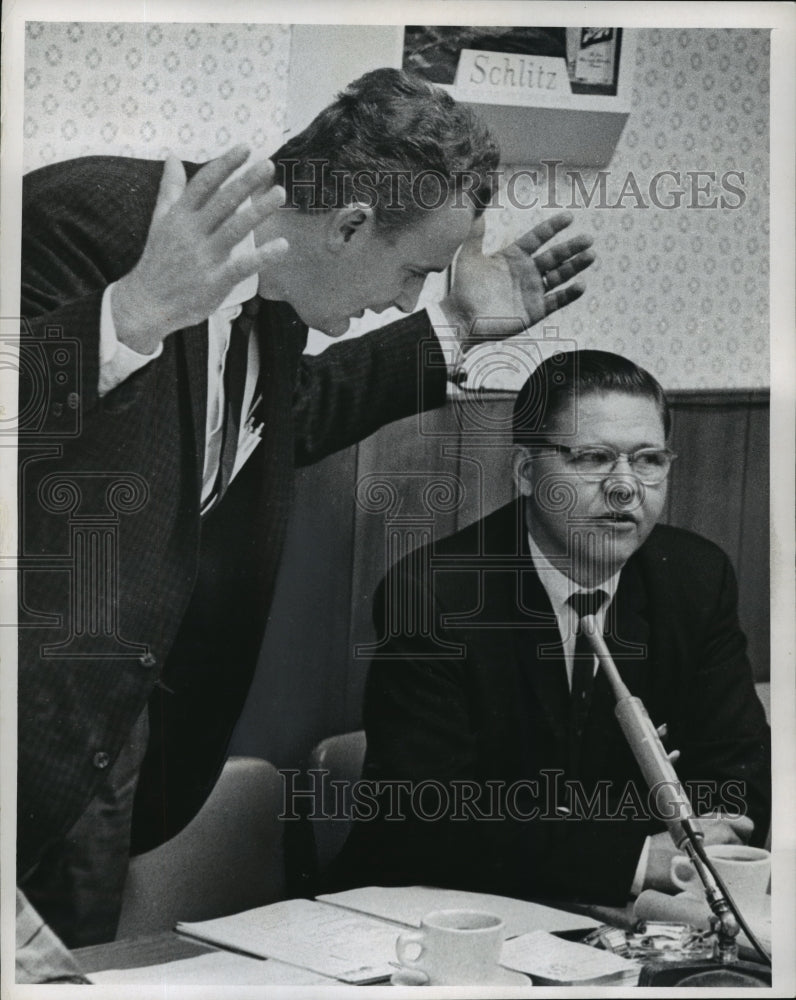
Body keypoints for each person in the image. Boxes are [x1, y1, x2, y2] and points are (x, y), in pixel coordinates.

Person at [17, 68, 594, 946]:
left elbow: (286, 419)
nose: (407, 298)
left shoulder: (275, 289)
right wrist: (126, 316)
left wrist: (456, 329)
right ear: (349, 223)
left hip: (111, 749)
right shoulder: (93, 217)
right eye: (416, 274)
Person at [335, 350, 770, 904]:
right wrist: (639, 857)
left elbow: (741, 768)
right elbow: (428, 813)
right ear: (525, 473)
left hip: (627, 911)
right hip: (435, 912)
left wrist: (714, 835)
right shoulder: (434, 594)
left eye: (648, 460)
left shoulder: (695, 578)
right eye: (591, 459)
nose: (624, 488)